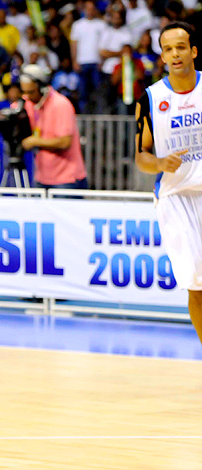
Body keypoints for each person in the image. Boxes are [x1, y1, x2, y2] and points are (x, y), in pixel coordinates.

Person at [135, 22, 202, 346]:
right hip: (176, 196)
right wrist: (160, 163)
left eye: (180, 47)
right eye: (167, 49)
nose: (174, 54)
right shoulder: (150, 98)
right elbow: (140, 156)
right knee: (196, 284)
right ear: (162, 56)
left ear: (193, 51)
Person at [20, 64, 88, 190]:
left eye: (31, 92)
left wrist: (35, 141)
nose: (27, 97)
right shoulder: (29, 102)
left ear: (41, 87)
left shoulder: (60, 105)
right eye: (24, 92)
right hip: (41, 177)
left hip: (66, 179)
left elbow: (65, 142)